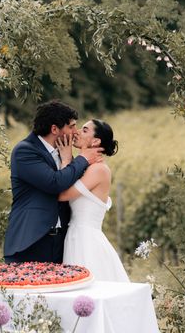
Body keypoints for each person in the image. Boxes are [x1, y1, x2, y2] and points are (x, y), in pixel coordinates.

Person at [3, 100, 103, 264]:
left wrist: (68, 160)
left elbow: (71, 188)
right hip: (31, 241)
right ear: (55, 129)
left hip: (62, 243)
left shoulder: (65, 154)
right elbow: (54, 183)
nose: (75, 131)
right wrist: (83, 158)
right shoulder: (25, 151)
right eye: (71, 126)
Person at [57, 119, 130, 282]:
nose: (76, 132)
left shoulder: (99, 169)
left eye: (84, 130)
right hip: (75, 236)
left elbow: (62, 195)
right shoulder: (86, 167)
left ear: (96, 141)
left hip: (87, 241)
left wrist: (66, 160)